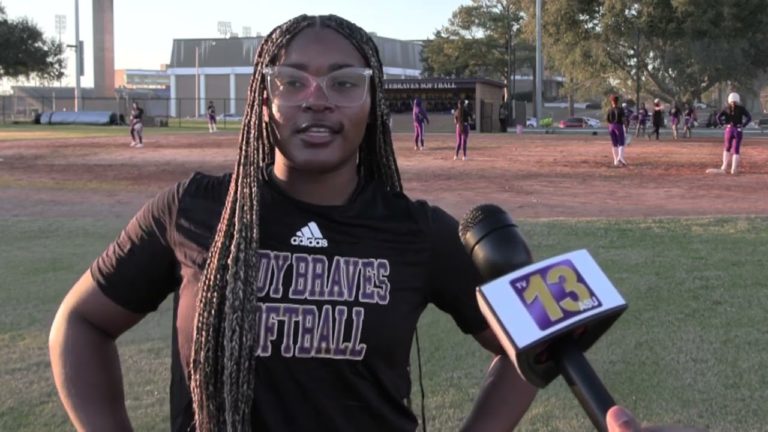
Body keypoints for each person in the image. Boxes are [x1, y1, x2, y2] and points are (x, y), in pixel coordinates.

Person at [49, 15, 540, 432]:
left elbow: (537, 339)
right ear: (264, 101)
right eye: (292, 81)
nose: (316, 98)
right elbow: (82, 321)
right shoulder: (194, 210)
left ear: (371, 105)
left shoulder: (417, 230)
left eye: (344, 82)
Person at [714, 92, 752, 174]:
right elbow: (749, 117)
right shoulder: (741, 108)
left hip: (729, 129)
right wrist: (743, 125)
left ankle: (724, 166)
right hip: (738, 129)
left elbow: (718, 117)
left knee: (727, 147)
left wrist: (722, 124)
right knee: (736, 149)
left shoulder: (726, 108)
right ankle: (733, 169)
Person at [607, 95, 628, 167]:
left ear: (612, 101)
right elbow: (624, 118)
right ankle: (620, 158)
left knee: (614, 144)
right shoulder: (620, 109)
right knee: (621, 143)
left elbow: (608, 120)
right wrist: (626, 126)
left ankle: (615, 160)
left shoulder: (609, 110)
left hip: (611, 126)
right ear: (618, 101)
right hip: (618, 126)